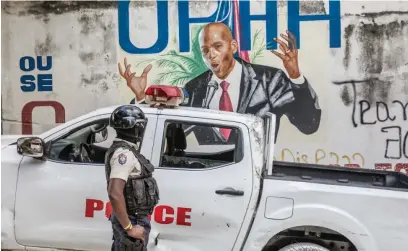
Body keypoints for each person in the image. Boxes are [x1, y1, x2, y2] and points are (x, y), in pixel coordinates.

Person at [119, 22, 321, 143]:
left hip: (254, 178)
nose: (211, 55)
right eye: (205, 50)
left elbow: (309, 125)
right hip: (211, 179)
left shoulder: (270, 80)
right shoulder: (194, 89)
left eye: (217, 46)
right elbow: (162, 130)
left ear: (232, 46)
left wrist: (295, 77)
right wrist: (140, 97)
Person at [105, 105, 160, 251]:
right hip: (132, 219)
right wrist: (130, 228)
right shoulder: (124, 154)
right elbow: (114, 193)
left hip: (133, 218)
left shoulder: (128, 150)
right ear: (133, 127)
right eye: (140, 125)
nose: (142, 129)